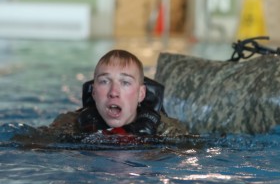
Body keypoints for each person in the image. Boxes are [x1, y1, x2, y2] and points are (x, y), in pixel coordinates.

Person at [46, 49, 188, 139]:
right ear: (93, 92)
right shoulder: (70, 124)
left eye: (125, 82)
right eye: (104, 81)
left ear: (141, 94)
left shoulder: (167, 131)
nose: (113, 92)